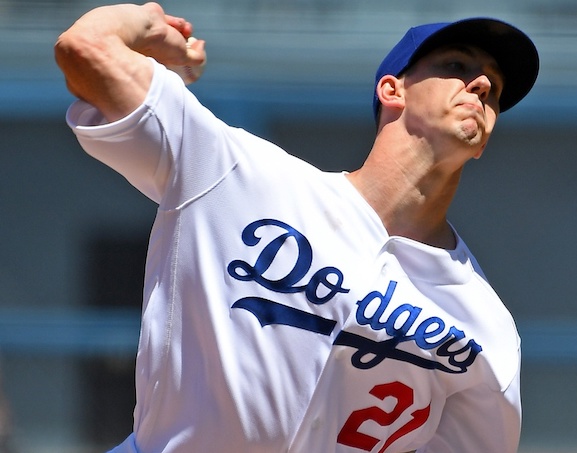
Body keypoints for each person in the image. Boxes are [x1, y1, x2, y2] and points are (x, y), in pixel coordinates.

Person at [55, 3, 539, 452]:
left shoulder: (484, 323)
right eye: (456, 66)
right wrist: (149, 23)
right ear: (392, 89)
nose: (479, 86)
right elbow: (86, 48)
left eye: (494, 89)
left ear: (483, 142)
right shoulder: (237, 175)